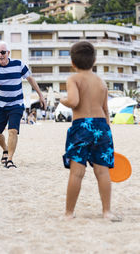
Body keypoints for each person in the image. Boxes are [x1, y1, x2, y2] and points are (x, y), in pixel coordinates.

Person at [60, 41, 121, 222]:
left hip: (82, 127)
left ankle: (69, 213)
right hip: (102, 127)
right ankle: (107, 212)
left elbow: (74, 101)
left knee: (77, 172)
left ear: (72, 62)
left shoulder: (74, 79)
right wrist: (107, 132)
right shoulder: (101, 82)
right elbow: (105, 109)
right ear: (94, 60)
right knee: (102, 172)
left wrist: (61, 99)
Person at [0, 41, 46, 169]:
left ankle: (10, 159)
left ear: (8, 53)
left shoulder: (18, 64)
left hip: (15, 103)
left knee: (13, 131)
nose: (0, 55)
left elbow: (30, 79)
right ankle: (5, 149)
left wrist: (40, 95)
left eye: (3, 52)